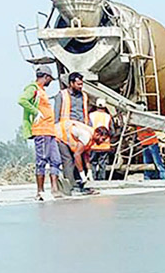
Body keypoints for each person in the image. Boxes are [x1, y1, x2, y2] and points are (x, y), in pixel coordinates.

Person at [18, 65, 61, 201]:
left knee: (56, 160)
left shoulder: (42, 91)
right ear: (46, 77)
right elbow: (22, 100)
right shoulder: (33, 88)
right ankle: (40, 191)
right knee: (41, 160)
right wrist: (36, 112)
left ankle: (54, 189)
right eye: (50, 79)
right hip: (41, 130)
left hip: (50, 130)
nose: (50, 82)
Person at [57, 119, 110, 195]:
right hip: (60, 136)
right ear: (97, 134)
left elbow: (85, 154)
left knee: (77, 161)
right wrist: (82, 173)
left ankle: (77, 183)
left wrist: (89, 170)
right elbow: (77, 155)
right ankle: (70, 187)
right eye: (103, 139)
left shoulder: (92, 138)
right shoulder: (86, 136)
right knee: (69, 161)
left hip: (67, 136)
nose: (102, 142)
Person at [89, 98, 114, 180]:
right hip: (104, 146)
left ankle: (93, 179)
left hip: (93, 145)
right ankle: (101, 180)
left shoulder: (91, 115)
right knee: (102, 164)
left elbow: (88, 129)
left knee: (93, 163)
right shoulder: (108, 117)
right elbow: (112, 131)